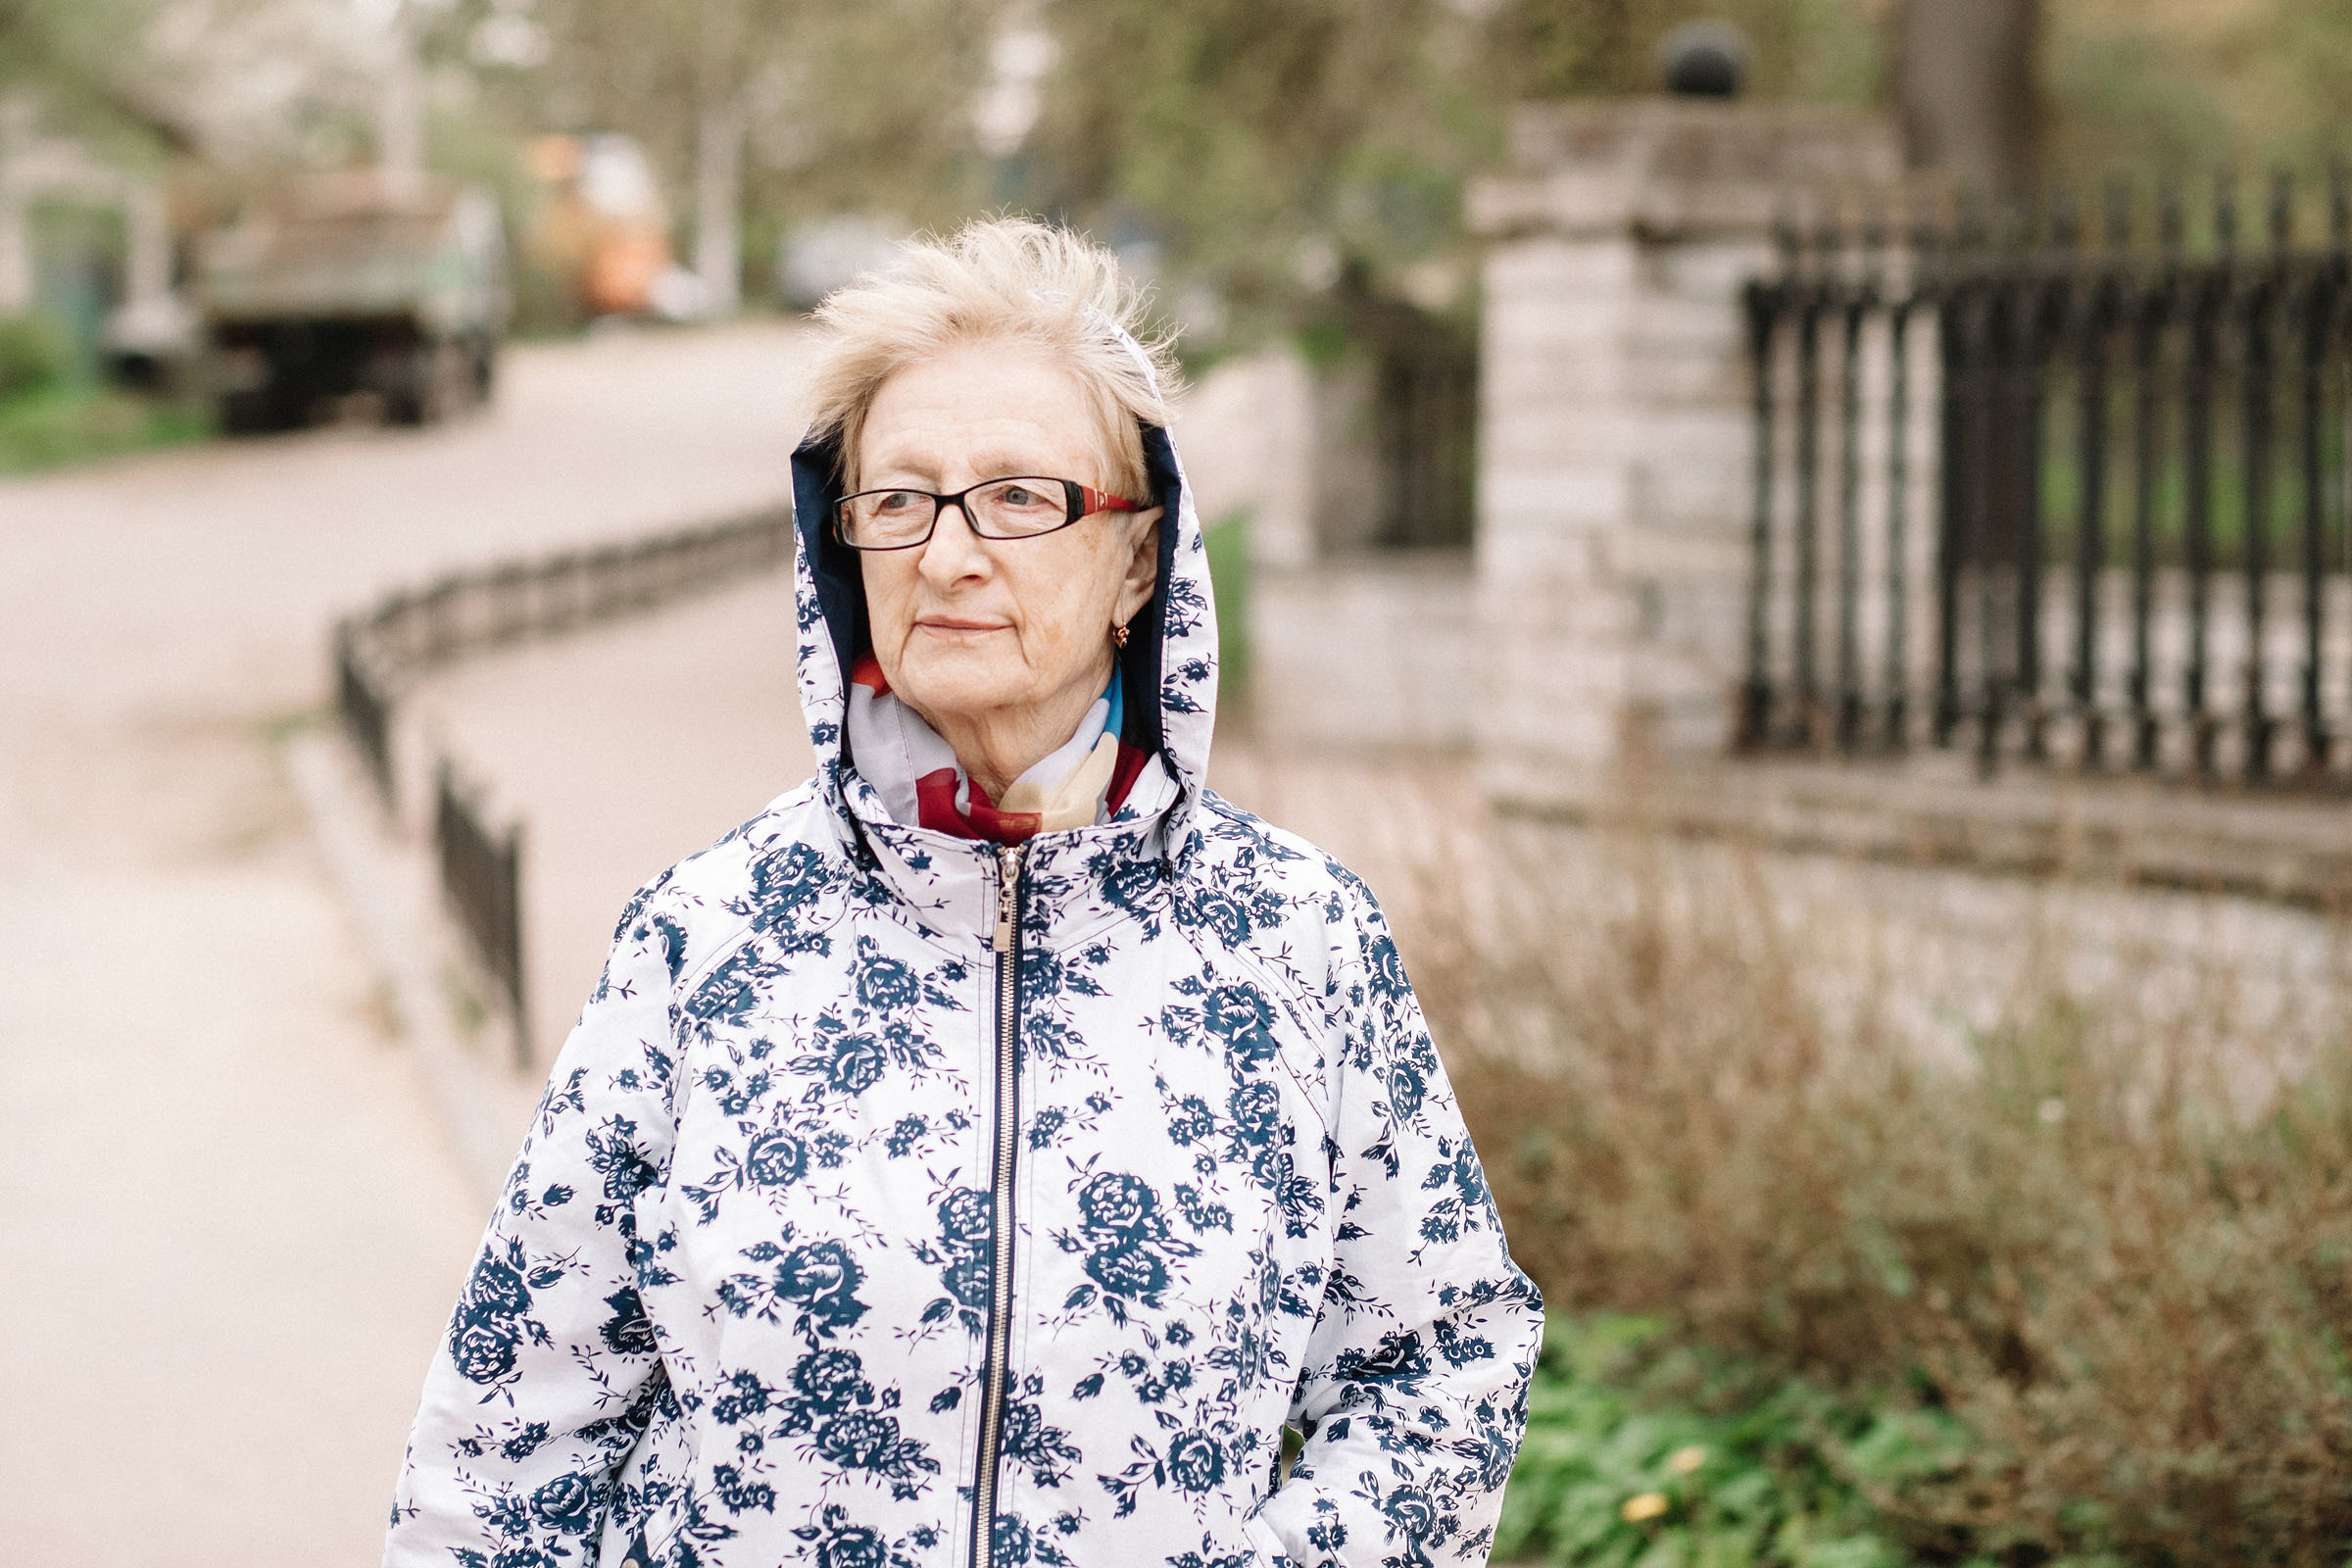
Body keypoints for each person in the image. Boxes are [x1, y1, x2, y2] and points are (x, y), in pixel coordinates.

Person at [386, 218, 1542, 1568]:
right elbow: (506, 1444)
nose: (949, 554)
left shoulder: (1298, 941)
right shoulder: (705, 940)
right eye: (901, 501)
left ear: (1137, 560)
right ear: (844, 549)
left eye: (1019, 497)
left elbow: (1441, 1365)